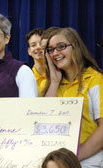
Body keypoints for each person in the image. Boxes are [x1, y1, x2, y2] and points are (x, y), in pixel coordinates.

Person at [43, 27, 103, 167]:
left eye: (61, 47)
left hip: (90, 161)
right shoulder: (53, 84)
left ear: (75, 47)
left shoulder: (94, 79)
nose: (55, 53)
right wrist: (54, 81)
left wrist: (72, 158)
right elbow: (44, 120)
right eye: (51, 50)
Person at [26, 28, 44, 96]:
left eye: (42, 44)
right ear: (29, 51)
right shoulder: (27, 78)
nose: (38, 47)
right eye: (33, 45)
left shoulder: (58, 76)